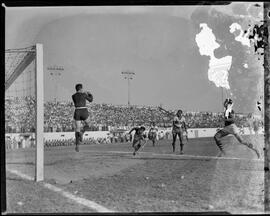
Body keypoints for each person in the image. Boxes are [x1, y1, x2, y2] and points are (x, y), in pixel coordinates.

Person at [72, 83, 93, 152]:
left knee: (77, 129)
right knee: (89, 124)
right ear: (81, 89)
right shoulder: (84, 94)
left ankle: (77, 146)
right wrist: (89, 94)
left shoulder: (73, 96)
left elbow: (77, 99)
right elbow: (91, 100)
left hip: (77, 111)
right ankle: (82, 132)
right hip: (83, 111)